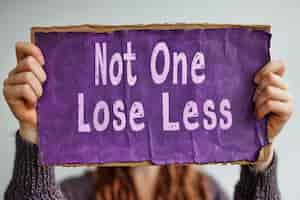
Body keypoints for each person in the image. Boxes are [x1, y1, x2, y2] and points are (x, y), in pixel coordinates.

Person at [3, 41, 293, 200]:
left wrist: (259, 149)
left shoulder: (207, 192)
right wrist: (32, 132)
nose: (145, 112)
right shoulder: (77, 193)